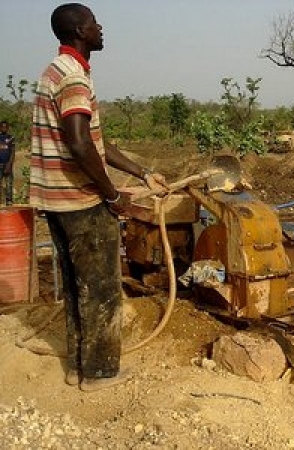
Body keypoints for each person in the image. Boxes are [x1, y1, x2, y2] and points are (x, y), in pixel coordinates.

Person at [30, 3, 167, 391]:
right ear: (78, 31)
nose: (100, 27)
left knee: (76, 287)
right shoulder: (74, 77)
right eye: (93, 23)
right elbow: (78, 143)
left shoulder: (54, 71)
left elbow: (96, 144)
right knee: (103, 288)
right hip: (80, 201)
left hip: (56, 201)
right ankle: (101, 372)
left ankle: (77, 366)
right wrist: (112, 196)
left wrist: (141, 172)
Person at [0, 120, 15, 206]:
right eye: (2, 126)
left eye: (6, 126)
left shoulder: (11, 138)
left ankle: (9, 201)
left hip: (7, 164)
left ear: (8, 128)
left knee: (9, 184)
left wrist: (9, 165)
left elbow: (13, 152)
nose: (4, 128)